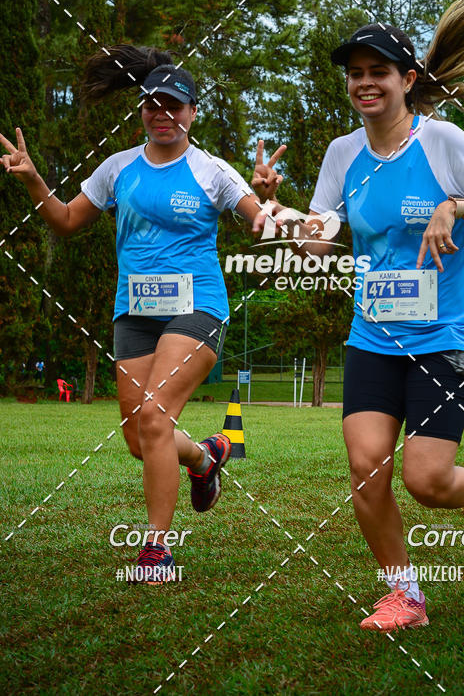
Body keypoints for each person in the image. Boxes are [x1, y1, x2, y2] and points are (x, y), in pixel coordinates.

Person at [253, 0, 464, 631]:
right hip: (374, 335)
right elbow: (321, 237)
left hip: (446, 337)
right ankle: (404, 592)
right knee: (366, 466)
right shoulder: (341, 154)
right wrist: (278, 211)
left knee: (426, 479)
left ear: (407, 80)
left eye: (377, 72)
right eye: (355, 73)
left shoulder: (441, 142)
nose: (364, 83)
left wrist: (455, 208)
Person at [0, 45, 269, 584]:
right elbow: (67, 221)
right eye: (152, 104)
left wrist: (263, 200)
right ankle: (205, 456)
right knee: (138, 438)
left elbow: (257, 220)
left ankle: (156, 549)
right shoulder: (118, 168)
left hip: (198, 307)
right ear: (141, 110)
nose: (162, 114)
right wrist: (32, 178)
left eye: (174, 105)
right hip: (136, 313)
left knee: (154, 418)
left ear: (193, 112)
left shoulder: (212, 170)